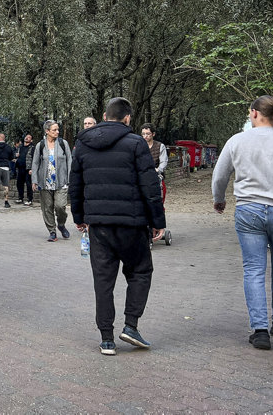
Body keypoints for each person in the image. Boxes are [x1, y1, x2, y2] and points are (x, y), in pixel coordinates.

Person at [70, 97, 166, 356]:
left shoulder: (83, 144)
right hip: (132, 225)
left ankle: (106, 339)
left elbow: (76, 185)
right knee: (141, 272)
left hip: (99, 225)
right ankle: (131, 325)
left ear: (104, 115)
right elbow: (150, 186)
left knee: (103, 281)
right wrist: (158, 222)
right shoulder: (136, 143)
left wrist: (79, 217)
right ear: (127, 118)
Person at [211, 95, 273, 350]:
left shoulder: (237, 141)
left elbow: (220, 176)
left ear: (254, 114)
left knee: (253, 269)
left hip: (248, 210)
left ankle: (260, 330)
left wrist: (219, 200)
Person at [29, 120, 72, 241]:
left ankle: (61, 224)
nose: (57, 132)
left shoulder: (63, 143)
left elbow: (70, 161)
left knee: (60, 206)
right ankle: (52, 232)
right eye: (54, 130)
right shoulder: (40, 145)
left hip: (61, 181)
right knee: (47, 208)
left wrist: (70, 178)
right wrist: (35, 180)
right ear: (47, 131)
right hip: (45, 182)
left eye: (58, 129)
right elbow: (35, 163)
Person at [15, 134, 34, 206]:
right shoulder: (20, 147)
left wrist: (32, 168)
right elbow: (16, 155)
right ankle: (20, 198)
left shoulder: (32, 147)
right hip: (20, 168)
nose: (27, 138)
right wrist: (16, 156)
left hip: (28, 169)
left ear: (31, 140)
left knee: (29, 184)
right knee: (19, 184)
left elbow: (34, 159)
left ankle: (30, 200)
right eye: (26, 137)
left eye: (29, 137)